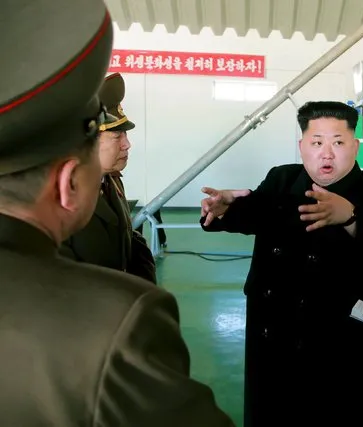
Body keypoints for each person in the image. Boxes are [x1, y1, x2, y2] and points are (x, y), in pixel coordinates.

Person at [0, 1, 234, 426]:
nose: (126, 146)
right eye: (108, 142)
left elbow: (131, 240)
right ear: (69, 182)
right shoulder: (117, 321)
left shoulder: (113, 186)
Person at [200, 101, 363, 426]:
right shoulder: (281, 179)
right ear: (302, 146)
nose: (326, 154)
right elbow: (253, 213)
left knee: (334, 412)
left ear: (355, 146)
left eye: (338, 142)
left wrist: (351, 218)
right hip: (273, 329)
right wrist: (222, 209)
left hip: (335, 337)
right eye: (317, 143)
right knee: (270, 410)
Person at [60, 72, 157, 284]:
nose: (127, 144)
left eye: (126, 135)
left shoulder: (110, 180)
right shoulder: (60, 199)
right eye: (116, 136)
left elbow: (126, 235)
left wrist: (143, 283)